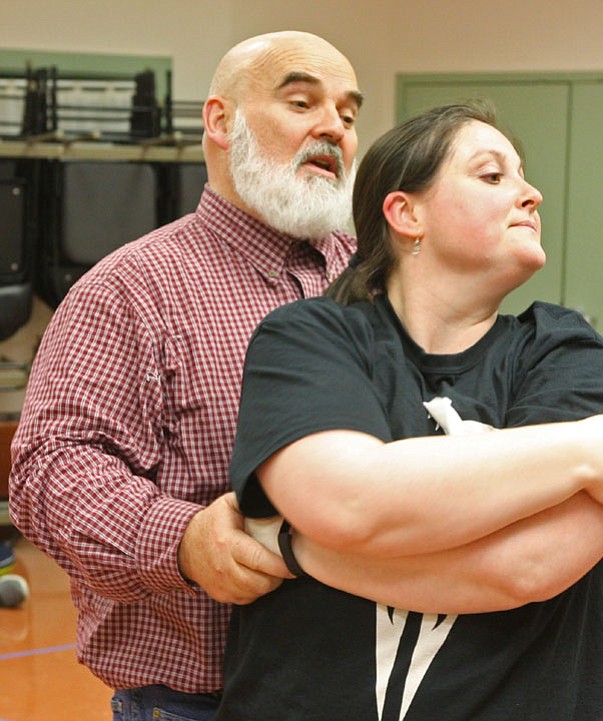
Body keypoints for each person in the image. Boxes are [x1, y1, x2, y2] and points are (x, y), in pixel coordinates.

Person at [213, 102, 603, 721]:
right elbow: (351, 502)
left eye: (523, 176)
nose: (532, 194)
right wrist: (581, 452)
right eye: (492, 176)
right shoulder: (308, 337)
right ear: (406, 214)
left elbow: (526, 567)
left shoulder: (568, 350)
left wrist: (292, 545)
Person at [9, 30, 361, 720]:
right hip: (204, 704)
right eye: (302, 101)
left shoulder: (372, 278)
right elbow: (47, 473)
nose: (333, 129)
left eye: (349, 115)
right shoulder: (131, 290)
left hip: (369, 687)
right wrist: (183, 541)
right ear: (221, 121)